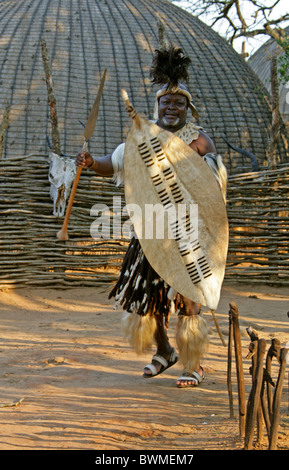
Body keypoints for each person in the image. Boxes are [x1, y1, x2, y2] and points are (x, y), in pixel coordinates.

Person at [76, 47, 227, 388]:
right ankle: (164, 351)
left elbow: (214, 189)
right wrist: (89, 163)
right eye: (166, 103)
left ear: (188, 108)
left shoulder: (199, 141)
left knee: (190, 298)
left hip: (189, 231)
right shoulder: (141, 137)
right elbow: (112, 163)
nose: (172, 108)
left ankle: (194, 365)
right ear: (157, 106)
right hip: (151, 230)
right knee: (149, 297)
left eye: (179, 104)